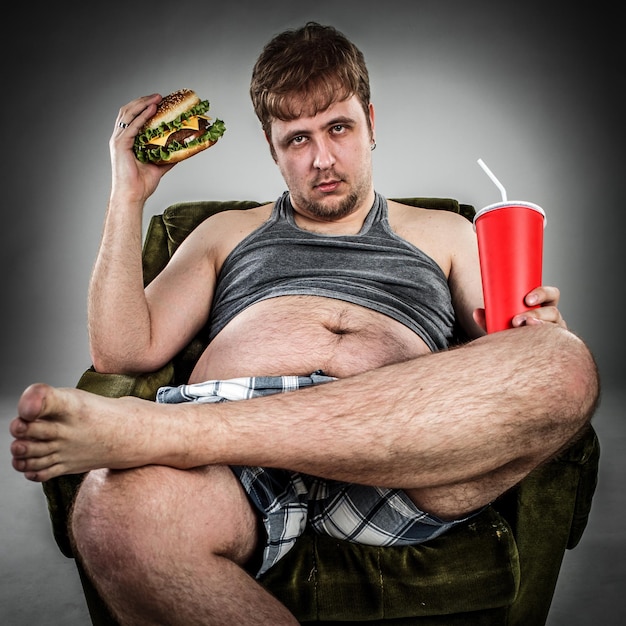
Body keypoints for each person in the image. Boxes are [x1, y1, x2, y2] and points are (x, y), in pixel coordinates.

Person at [10, 22, 598, 625]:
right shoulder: (223, 233)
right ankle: (182, 435)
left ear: (371, 121)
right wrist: (127, 193)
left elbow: (512, 349)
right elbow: (120, 351)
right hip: (238, 461)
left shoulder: (447, 233)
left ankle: (167, 432)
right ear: (272, 149)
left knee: (564, 360)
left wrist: (531, 328)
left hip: (402, 452)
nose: (322, 159)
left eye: (339, 128)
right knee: (108, 516)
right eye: (297, 140)